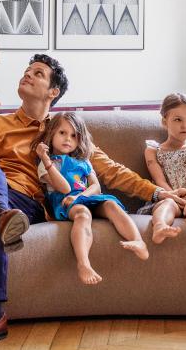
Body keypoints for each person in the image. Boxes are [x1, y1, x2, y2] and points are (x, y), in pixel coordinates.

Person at [0, 53, 186, 350]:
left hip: (20, 202)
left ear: (53, 92)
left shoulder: (64, 133)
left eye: (38, 73)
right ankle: (0, 212)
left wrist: (158, 192)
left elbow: (110, 170)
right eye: (27, 70)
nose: (28, 75)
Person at [35, 113, 148, 285]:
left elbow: (95, 187)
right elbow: (64, 188)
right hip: (64, 201)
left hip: (85, 197)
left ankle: (139, 242)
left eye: (74, 135)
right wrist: (45, 159)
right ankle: (84, 263)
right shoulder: (48, 163)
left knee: (111, 204)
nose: (68, 139)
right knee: (83, 214)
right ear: (51, 134)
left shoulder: (83, 161)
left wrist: (80, 196)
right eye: (62, 133)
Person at [137, 93, 186, 244]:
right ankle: (160, 227)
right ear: (165, 121)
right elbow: (159, 180)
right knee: (167, 205)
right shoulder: (153, 150)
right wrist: (173, 195)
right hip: (168, 196)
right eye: (178, 120)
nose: (185, 125)